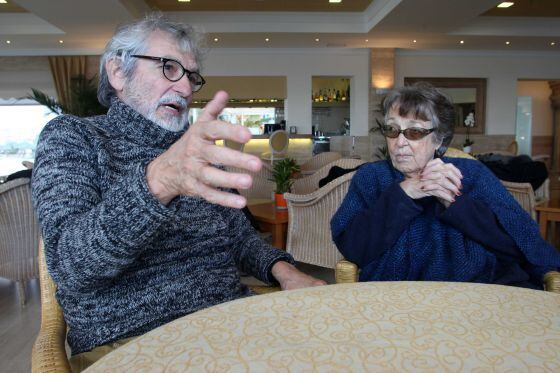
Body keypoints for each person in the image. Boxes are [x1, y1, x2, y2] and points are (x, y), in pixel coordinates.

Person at [32, 14, 324, 367]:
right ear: (117, 72)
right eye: (168, 67)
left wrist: (284, 270)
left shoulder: (194, 150)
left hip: (232, 323)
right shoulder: (74, 138)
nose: (185, 88)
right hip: (130, 342)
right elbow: (71, 266)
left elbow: (238, 238)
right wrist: (161, 181)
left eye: (191, 75)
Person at [331, 83, 560, 289]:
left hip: (480, 296)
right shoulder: (371, 177)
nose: (399, 142)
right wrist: (404, 193)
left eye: (414, 132)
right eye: (392, 130)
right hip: (396, 299)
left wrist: (454, 202)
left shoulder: (472, 174)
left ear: (439, 139)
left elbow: (519, 245)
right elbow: (354, 248)